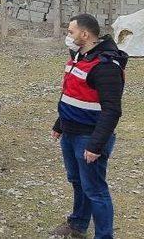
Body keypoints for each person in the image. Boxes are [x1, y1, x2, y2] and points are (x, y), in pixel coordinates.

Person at [51, 14, 128, 239]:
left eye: (70, 32)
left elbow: (112, 110)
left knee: (95, 190)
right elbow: (71, 93)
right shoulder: (78, 57)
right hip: (71, 133)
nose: (68, 36)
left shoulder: (106, 66)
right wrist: (60, 124)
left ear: (85, 35)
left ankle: (104, 236)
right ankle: (78, 225)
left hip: (89, 138)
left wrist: (95, 146)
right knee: (77, 182)